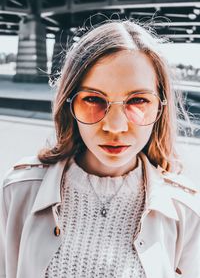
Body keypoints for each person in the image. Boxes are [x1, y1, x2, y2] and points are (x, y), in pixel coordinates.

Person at [0, 19, 200, 278]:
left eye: (138, 100)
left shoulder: (186, 211)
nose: (115, 127)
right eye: (93, 99)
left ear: (160, 107)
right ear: (69, 104)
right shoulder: (17, 192)